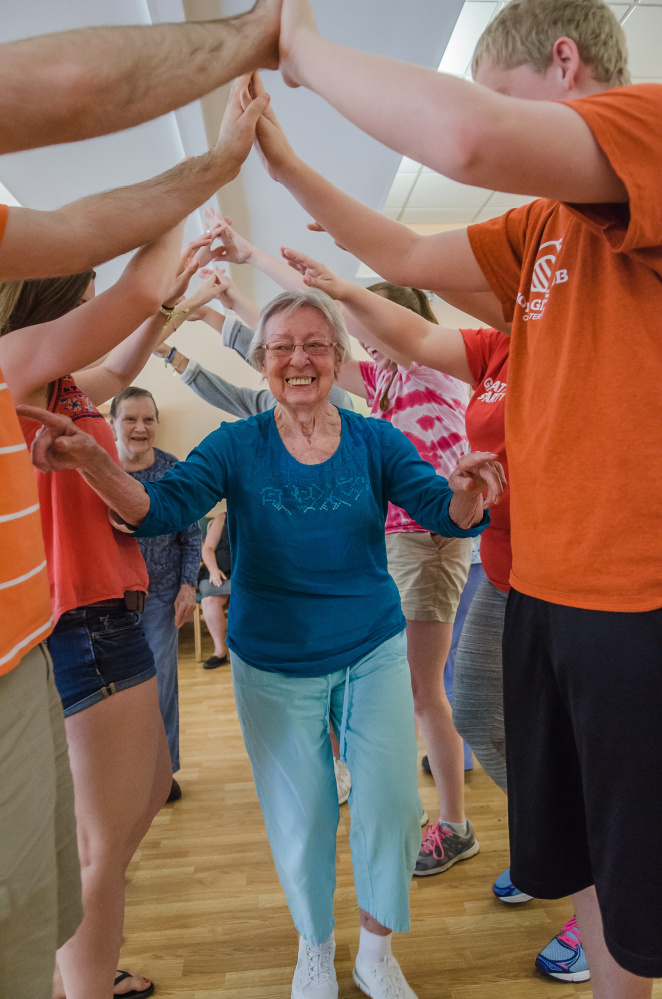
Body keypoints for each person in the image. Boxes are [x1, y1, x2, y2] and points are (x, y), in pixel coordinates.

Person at [258, 0, 662, 992]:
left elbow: (468, 137)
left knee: (639, 882)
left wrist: (300, 49)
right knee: (582, 864)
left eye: (500, 88)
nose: (491, 118)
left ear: (563, 61)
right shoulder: (542, 227)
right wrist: (288, 168)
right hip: (543, 585)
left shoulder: (649, 125)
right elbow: (399, 262)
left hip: (633, 593)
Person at [20, 289, 505, 999]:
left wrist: (469, 493)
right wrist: (95, 462)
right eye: (282, 347)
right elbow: (159, 510)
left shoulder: (375, 440)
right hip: (273, 660)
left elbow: (448, 515)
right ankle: (314, 944)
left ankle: (376, 949)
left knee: (394, 806)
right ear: (262, 361)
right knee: (302, 817)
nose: (299, 359)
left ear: (337, 358)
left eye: (315, 345)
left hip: (370, 647)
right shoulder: (236, 444)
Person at [278, 244, 589, 981]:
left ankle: (581, 874)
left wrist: (335, 272)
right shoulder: (465, 358)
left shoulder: (453, 361)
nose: (356, 338)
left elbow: (404, 324)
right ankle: (553, 847)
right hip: (507, 565)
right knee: (484, 711)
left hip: (501, 557)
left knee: (451, 702)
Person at [195, 219, 479, 864]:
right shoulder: (388, 382)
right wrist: (228, 304)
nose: (357, 347)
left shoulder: (430, 372)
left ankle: (455, 825)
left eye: (368, 332)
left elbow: (324, 304)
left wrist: (250, 252)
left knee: (422, 689)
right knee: (411, 689)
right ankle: (401, 805)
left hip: (433, 543)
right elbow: (292, 335)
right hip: (403, 545)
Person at [1, 220, 201, 999]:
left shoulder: (66, 385)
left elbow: (121, 361)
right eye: (86, 285)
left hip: (113, 617)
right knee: (99, 846)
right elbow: (134, 290)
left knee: (146, 793)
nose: (95, 295)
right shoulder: (15, 363)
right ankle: (83, 982)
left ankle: (76, 964)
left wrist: (167, 312)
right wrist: (185, 197)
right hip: (78, 623)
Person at [110, 386, 201, 799]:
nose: (140, 427)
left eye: (148, 419)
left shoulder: (173, 471)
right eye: (130, 418)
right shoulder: (100, 469)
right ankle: (119, 774)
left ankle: (162, 775)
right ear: (112, 423)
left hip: (161, 597)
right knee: (115, 693)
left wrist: (187, 586)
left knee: (161, 686)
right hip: (107, 602)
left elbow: (191, 535)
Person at [199, 511, 232, 669]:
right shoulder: (222, 518)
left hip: (245, 572)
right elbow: (208, 548)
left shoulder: (258, 514)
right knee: (209, 599)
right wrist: (213, 570)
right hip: (219, 569)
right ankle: (220, 651)